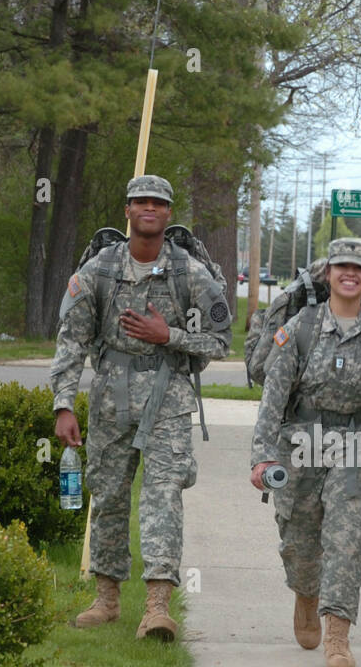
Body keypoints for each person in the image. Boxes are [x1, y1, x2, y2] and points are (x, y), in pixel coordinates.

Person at [51, 174, 232, 640]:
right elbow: (71, 340)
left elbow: (220, 341)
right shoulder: (99, 270)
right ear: (127, 210)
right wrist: (63, 405)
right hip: (110, 394)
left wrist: (167, 336)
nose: (149, 208)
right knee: (107, 495)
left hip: (167, 397)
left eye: (158, 202)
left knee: (162, 496)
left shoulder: (189, 272)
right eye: (140, 202)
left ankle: (157, 606)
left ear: (169, 213)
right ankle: (107, 598)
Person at [250, 237, 361, 667]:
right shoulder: (300, 329)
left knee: (346, 539)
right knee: (299, 541)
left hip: (358, 446)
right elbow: (273, 397)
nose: (350, 274)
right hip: (300, 445)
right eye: (342, 266)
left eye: (359, 269)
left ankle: (338, 636)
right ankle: (306, 595)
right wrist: (262, 456)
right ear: (329, 274)